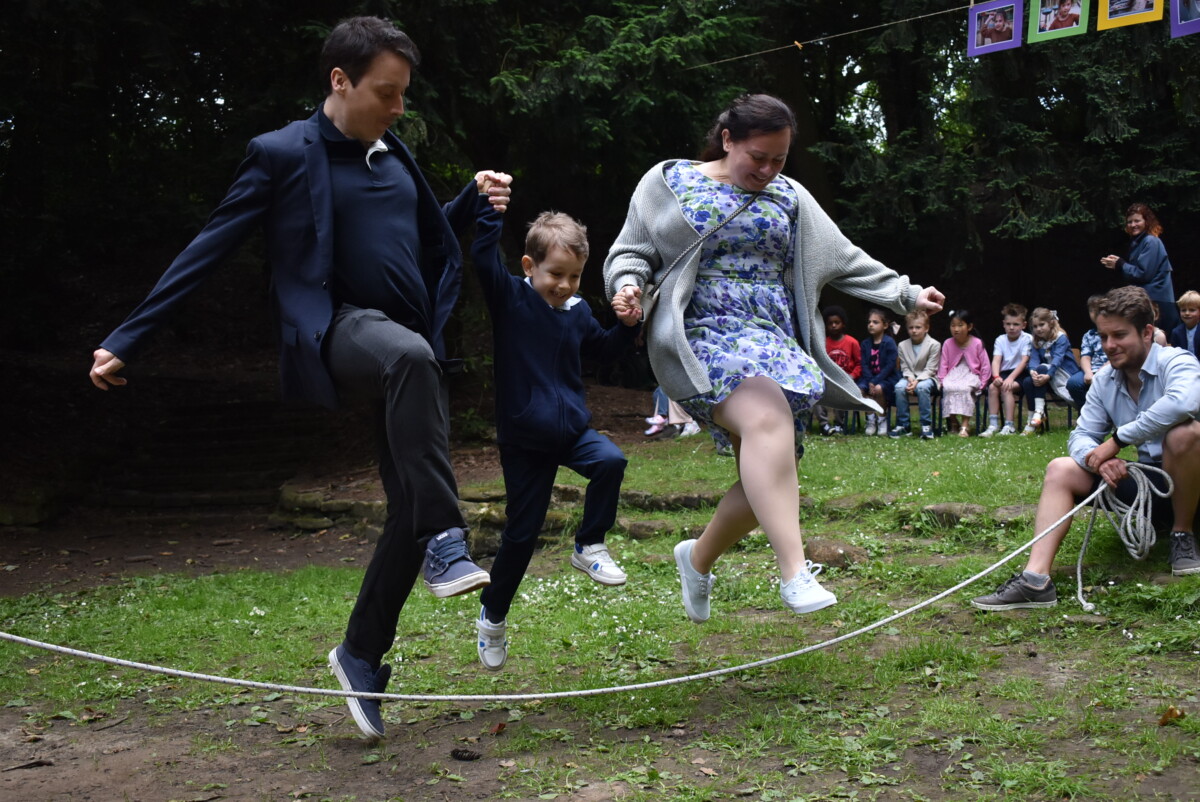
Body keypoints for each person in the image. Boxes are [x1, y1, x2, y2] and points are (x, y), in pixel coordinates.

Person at [86, 17, 513, 739]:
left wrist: (470, 200)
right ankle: (448, 535)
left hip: (403, 348)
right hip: (337, 331)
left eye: (404, 94)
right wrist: (129, 337)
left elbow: (420, 237)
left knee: (408, 499)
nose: (399, 107)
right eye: (386, 92)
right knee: (411, 372)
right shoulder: (282, 153)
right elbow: (209, 246)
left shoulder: (394, 156)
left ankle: (361, 654)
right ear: (339, 81)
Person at [604, 93, 944, 621]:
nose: (767, 170)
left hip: (773, 337)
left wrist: (907, 295)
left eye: (779, 159)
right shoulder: (669, 181)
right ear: (727, 140)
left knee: (768, 471)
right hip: (701, 333)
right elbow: (632, 251)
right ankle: (794, 572)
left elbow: (846, 259)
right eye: (757, 157)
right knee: (767, 419)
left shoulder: (791, 197)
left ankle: (696, 559)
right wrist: (626, 285)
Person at [470, 208, 640, 670]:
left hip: (571, 433)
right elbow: (482, 257)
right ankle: (493, 615)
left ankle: (589, 545)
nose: (565, 285)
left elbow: (603, 350)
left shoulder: (577, 311)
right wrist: (489, 210)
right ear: (529, 266)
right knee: (522, 535)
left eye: (575, 276)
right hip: (525, 441)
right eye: (555, 274)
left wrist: (628, 326)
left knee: (610, 461)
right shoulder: (511, 298)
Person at [971, 286, 1200, 611]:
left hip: (1194, 484)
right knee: (1061, 468)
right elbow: (1081, 435)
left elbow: (1182, 403)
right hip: (1154, 488)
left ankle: (1182, 534)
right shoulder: (1105, 380)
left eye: (1119, 335)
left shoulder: (1178, 362)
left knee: (1185, 433)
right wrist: (1097, 461)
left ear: (1147, 332)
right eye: (1104, 336)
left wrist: (1117, 441)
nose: (1109, 345)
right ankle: (1035, 581)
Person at [1101, 203, 1180, 333]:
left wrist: (1121, 264)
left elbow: (1143, 274)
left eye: (1137, 221)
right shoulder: (1138, 242)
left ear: (1146, 221)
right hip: (1148, 301)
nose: (1133, 225)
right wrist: (1118, 265)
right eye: (1129, 222)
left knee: (1157, 338)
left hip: (1158, 302)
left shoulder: (1151, 241)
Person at [1021, 307, 1082, 435]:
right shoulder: (1036, 341)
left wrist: (1048, 375)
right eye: (1035, 326)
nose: (1038, 329)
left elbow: (1057, 359)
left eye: (1041, 325)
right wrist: (1032, 371)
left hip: (1064, 373)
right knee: (1027, 381)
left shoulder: (1060, 338)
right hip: (1046, 375)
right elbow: (1034, 359)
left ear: (1051, 323)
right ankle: (1033, 418)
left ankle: (1039, 412)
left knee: (1043, 368)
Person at [981, 303, 1032, 437]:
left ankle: (1010, 426)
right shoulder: (1000, 340)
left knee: (1006, 388)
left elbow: (1024, 361)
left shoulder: (1027, 339)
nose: (1011, 327)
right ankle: (993, 425)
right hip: (1004, 373)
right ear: (1003, 324)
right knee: (993, 388)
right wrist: (996, 376)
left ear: (1024, 325)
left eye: (1016, 324)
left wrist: (1011, 378)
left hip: (1021, 374)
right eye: (1008, 324)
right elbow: (996, 360)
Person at [937, 309, 991, 437]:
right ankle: (953, 422)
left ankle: (965, 425)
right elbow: (943, 364)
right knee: (948, 387)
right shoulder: (947, 343)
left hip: (972, 374)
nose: (956, 329)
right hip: (953, 373)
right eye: (953, 325)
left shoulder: (977, 343)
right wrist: (942, 380)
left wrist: (983, 383)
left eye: (960, 325)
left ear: (969, 327)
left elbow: (985, 365)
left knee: (965, 388)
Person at [889, 310, 942, 439]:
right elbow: (904, 367)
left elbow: (931, 369)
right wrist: (911, 379)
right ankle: (903, 425)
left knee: (922, 387)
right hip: (909, 377)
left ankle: (926, 425)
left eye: (918, 327)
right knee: (899, 387)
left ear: (926, 328)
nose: (914, 331)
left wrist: (917, 382)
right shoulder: (902, 345)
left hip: (928, 378)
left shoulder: (934, 345)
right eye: (911, 327)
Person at [814, 305, 861, 436]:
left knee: (842, 392)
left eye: (837, 322)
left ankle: (839, 424)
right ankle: (824, 424)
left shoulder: (852, 342)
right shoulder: (822, 343)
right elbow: (819, 363)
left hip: (846, 380)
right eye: (830, 323)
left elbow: (859, 364)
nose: (833, 326)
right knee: (816, 392)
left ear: (843, 324)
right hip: (828, 380)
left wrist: (853, 375)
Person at [858, 308, 900, 436]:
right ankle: (870, 420)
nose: (871, 324)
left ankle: (882, 419)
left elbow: (890, 366)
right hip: (869, 378)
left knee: (879, 389)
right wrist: (870, 380)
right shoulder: (865, 344)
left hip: (887, 378)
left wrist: (875, 382)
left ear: (885, 325)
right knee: (860, 390)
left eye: (875, 322)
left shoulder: (889, 343)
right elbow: (864, 364)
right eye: (869, 322)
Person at [1067, 296, 1110, 410]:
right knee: (1073, 383)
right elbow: (1085, 356)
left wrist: (1100, 373)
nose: (1094, 313)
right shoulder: (1089, 335)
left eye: (1098, 310)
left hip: (1111, 368)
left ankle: (1107, 414)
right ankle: (1088, 412)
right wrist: (1088, 373)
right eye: (1091, 310)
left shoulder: (1113, 332)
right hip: (1091, 369)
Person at [1168, 291, 1199, 359]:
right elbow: (1175, 355)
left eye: (1192, 310)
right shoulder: (1176, 332)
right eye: (1183, 310)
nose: (1187, 313)